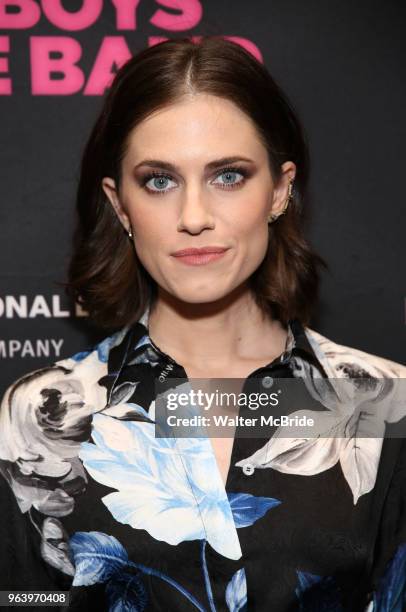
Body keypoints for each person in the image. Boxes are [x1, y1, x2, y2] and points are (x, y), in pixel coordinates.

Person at [0, 36, 405, 612]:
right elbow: (19, 599)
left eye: (229, 176)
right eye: (159, 181)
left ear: (280, 190)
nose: (194, 217)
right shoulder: (38, 415)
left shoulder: (387, 406)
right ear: (120, 206)